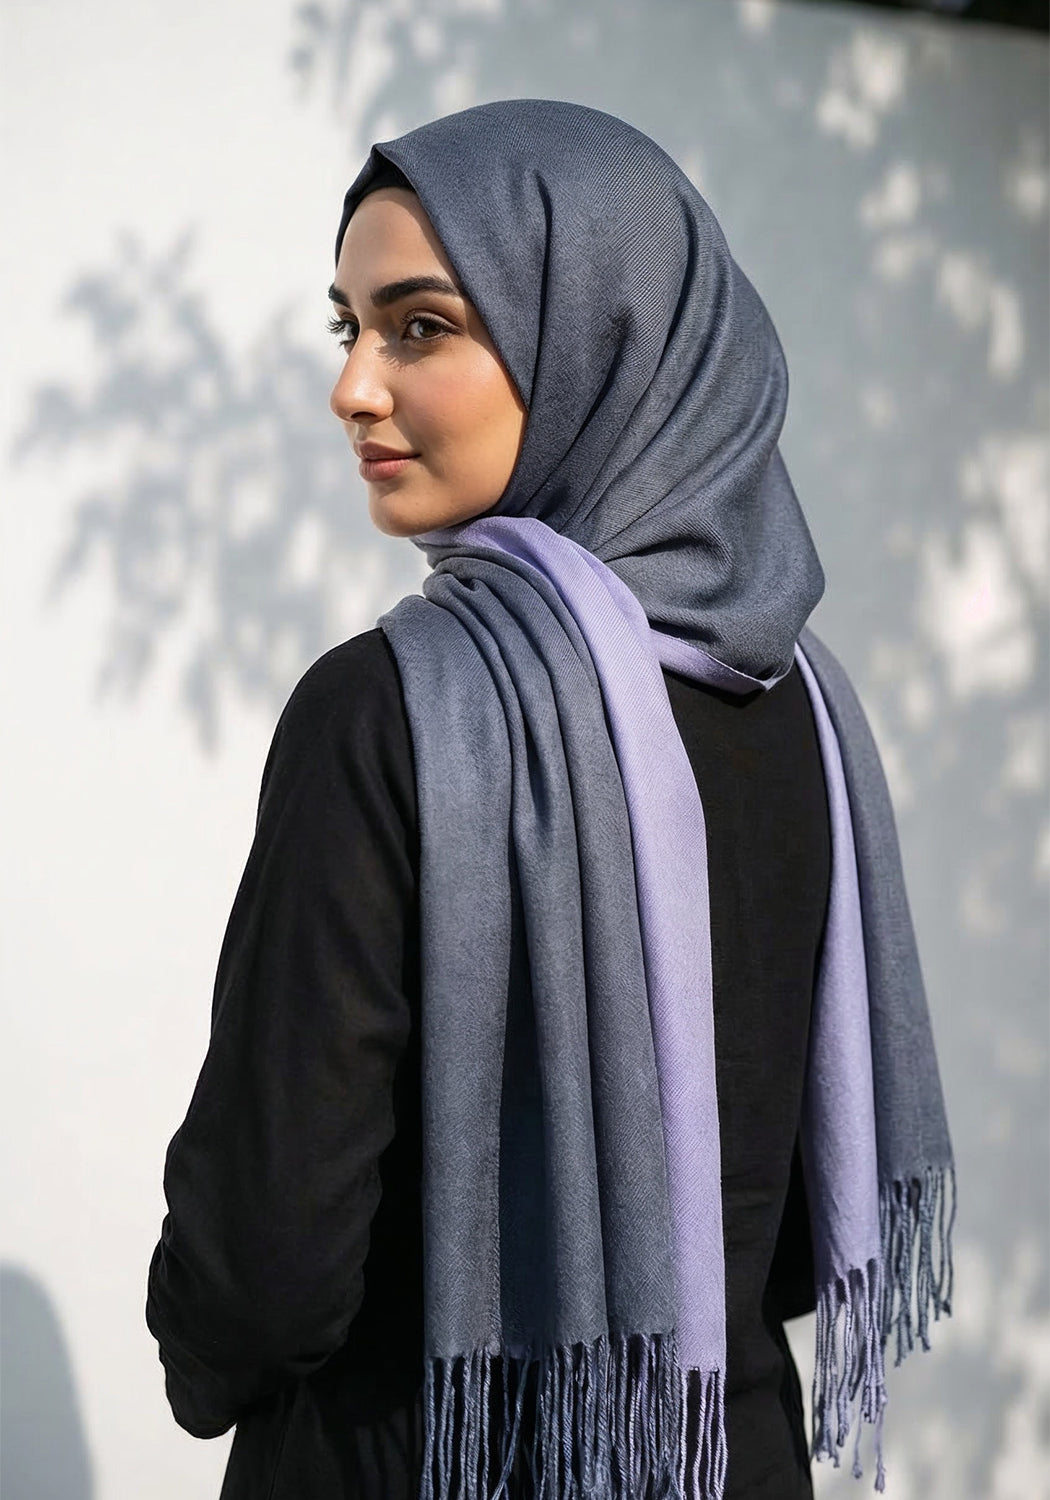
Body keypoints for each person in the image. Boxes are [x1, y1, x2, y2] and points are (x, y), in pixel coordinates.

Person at [146, 101, 955, 1500]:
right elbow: (785, 1237)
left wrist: (204, 1357)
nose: (353, 389)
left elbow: (265, 1261)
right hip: (725, 1453)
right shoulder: (804, 709)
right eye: (348, 329)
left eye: (420, 326)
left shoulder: (389, 710)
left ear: (600, 339)